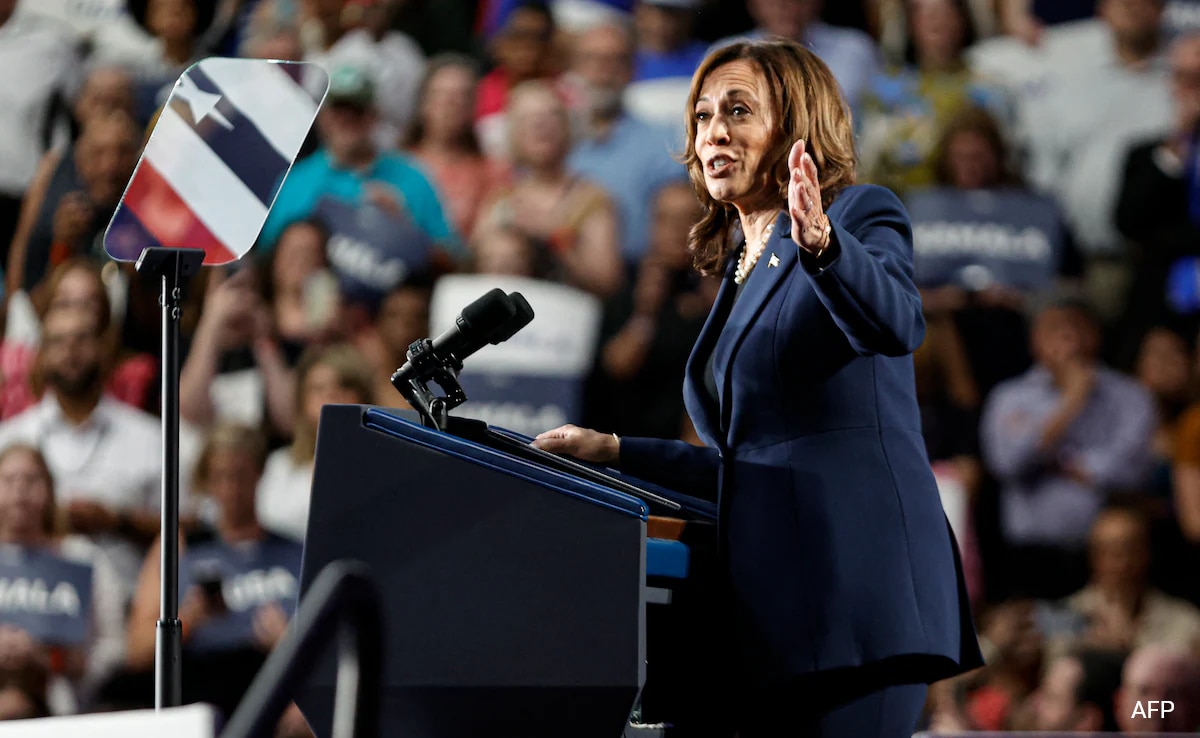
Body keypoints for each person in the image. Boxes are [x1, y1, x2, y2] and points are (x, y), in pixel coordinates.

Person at [532, 38, 982, 737]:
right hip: (769, 621)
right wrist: (616, 451)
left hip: (858, 602)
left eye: (738, 110)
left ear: (796, 125)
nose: (714, 129)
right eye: (704, 114)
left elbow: (898, 322)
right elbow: (748, 463)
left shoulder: (859, 216)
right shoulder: (740, 269)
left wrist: (825, 244)